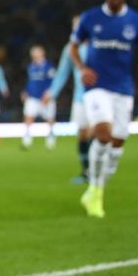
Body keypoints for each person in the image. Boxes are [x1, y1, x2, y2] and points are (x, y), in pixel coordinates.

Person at [71, 0, 138, 218]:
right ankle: (94, 191)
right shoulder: (90, 18)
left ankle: (97, 187)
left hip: (123, 88)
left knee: (117, 143)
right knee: (103, 134)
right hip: (96, 85)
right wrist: (82, 68)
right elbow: (73, 47)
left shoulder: (137, 22)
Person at [42, 16, 90, 182]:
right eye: (74, 25)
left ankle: (96, 172)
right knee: (83, 134)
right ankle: (86, 172)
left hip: (99, 95)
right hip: (80, 97)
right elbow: (62, 73)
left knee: (95, 132)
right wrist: (51, 93)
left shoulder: (98, 45)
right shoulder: (70, 48)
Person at [21, 45, 57, 149]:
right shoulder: (31, 67)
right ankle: (27, 136)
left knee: (50, 118)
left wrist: (49, 94)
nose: (34, 55)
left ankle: (50, 135)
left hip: (46, 97)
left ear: (42, 53)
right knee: (28, 116)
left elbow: (53, 82)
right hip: (33, 96)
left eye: (36, 52)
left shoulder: (49, 66)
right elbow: (30, 81)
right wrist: (25, 91)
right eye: (33, 53)